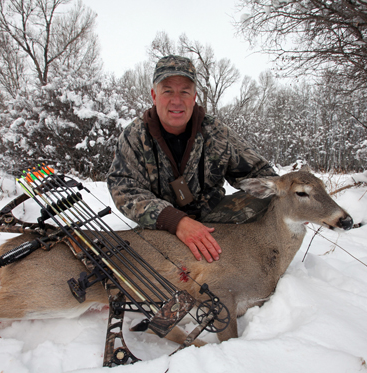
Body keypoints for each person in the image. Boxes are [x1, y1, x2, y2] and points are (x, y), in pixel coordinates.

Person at [107, 55, 277, 263]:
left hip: (213, 220)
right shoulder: (135, 135)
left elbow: (258, 173)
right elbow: (123, 189)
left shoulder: (216, 132)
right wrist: (176, 221)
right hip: (161, 226)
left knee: (274, 198)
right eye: (167, 90)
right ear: (154, 95)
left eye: (184, 92)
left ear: (194, 96)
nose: (176, 101)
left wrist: (289, 198)